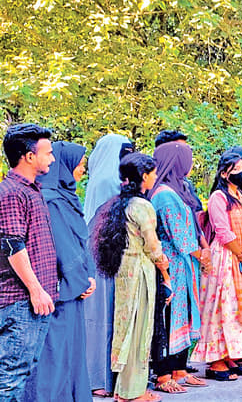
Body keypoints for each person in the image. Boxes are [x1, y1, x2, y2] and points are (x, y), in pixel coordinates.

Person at [95, 153, 169, 402]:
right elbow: (153, 247)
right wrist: (165, 271)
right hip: (140, 273)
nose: (156, 176)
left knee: (126, 329)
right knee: (139, 331)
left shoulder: (120, 203)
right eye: (153, 173)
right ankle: (132, 392)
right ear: (144, 176)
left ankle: (124, 389)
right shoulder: (142, 206)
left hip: (124, 273)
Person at [25, 141, 93, 402]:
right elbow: (62, 247)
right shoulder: (52, 201)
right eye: (79, 164)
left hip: (69, 291)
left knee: (68, 358)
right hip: (60, 292)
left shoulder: (61, 196)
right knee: (55, 361)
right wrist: (83, 281)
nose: (82, 170)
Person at [192, 152, 242, 381]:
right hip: (225, 258)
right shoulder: (218, 198)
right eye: (239, 169)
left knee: (239, 310)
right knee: (223, 309)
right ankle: (215, 361)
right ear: (225, 173)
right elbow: (222, 232)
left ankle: (231, 355)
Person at [0, 125, 58, 400]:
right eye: (47, 153)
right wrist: (36, 290)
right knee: (10, 377)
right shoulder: (12, 192)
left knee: (19, 372)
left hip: (31, 301)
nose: (52, 159)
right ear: (28, 156)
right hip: (20, 301)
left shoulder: (31, 190)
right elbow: (12, 245)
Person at [147, 142, 207, 393]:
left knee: (184, 315)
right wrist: (203, 256)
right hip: (173, 265)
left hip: (185, 264)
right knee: (171, 318)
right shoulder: (164, 194)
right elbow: (179, 236)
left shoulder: (178, 190)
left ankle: (179, 370)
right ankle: (164, 374)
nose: (191, 164)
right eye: (187, 159)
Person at [83, 133, 134, 397]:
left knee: (110, 314)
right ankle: (100, 378)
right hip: (103, 250)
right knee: (102, 314)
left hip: (105, 248)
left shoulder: (101, 179)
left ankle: (107, 376)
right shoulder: (108, 181)